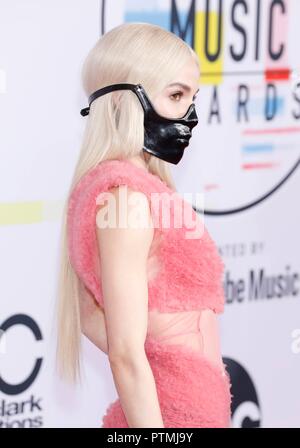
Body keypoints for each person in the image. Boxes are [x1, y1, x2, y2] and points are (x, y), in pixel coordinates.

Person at [55, 22, 232, 428]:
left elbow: (90, 315)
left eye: (192, 97)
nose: (190, 115)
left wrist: (171, 367)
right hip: (170, 418)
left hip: (182, 408)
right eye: (175, 95)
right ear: (122, 102)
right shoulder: (126, 197)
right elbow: (124, 352)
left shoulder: (122, 190)